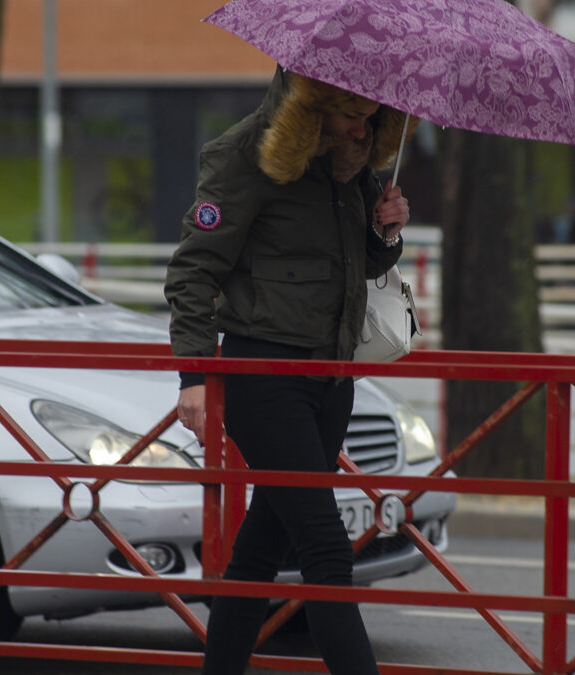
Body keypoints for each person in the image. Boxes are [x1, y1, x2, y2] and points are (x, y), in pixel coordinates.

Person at [163, 67, 416, 674]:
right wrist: (194, 376)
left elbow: (353, 264)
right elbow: (192, 272)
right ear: (315, 105)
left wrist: (384, 231)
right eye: (351, 113)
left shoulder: (351, 162)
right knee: (326, 549)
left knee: (261, 548)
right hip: (263, 374)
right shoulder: (244, 156)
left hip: (332, 377)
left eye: (370, 115)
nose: (363, 127)